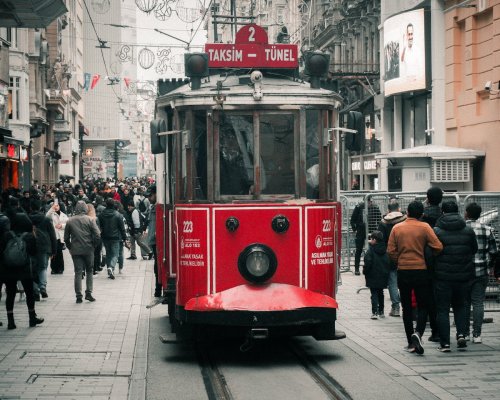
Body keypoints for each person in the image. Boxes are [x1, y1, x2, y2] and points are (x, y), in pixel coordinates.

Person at [387, 200, 443, 355]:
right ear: (422, 214)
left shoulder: (397, 228)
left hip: (403, 270)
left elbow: (390, 250)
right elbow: (438, 246)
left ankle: (410, 342)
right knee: (422, 304)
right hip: (421, 270)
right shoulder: (425, 227)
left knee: (406, 307)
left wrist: (400, 260)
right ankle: (418, 333)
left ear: (407, 213)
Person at [432, 201, 478, 352]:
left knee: (443, 309)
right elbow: (474, 249)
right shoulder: (468, 230)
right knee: (460, 306)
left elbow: (430, 253)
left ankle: (445, 343)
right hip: (463, 276)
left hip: (442, 277)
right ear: (458, 212)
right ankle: (461, 334)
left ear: (443, 212)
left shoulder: (437, 231)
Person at [0, 203, 44, 329]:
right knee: (29, 293)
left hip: (8, 269)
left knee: (10, 294)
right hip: (25, 269)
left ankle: (11, 321)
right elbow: (34, 252)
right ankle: (32, 318)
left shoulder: (7, 235)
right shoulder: (29, 236)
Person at [464, 202, 498, 344]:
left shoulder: (462, 229)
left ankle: (464, 333)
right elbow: (494, 252)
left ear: (466, 213)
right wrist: (490, 266)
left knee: (464, 303)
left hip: (464, 271)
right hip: (481, 271)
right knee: (478, 303)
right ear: (479, 214)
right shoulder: (487, 229)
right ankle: (477, 335)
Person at [64, 201, 101, 303]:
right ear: (85, 209)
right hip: (88, 249)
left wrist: (70, 247)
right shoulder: (90, 220)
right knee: (89, 270)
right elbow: (97, 234)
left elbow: (66, 238)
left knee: (78, 272)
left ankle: (78, 295)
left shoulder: (70, 221)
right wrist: (94, 245)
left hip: (75, 250)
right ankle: (88, 293)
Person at [420, 186, 443, 343]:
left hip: (425, 262)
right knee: (442, 299)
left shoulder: (423, 218)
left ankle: (432, 329)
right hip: (442, 262)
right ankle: (441, 331)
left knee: (427, 298)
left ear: (427, 198)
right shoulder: (443, 216)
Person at [377, 201, 406, 317]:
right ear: (399, 209)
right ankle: (408, 307)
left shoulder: (383, 223)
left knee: (392, 282)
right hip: (406, 254)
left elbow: (380, 241)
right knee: (405, 283)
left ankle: (396, 308)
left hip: (390, 256)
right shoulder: (406, 220)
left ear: (388, 211)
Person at [29, 198, 57, 300]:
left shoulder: (28, 219)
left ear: (31, 207)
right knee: (43, 267)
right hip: (44, 246)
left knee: (32, 269)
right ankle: (43, 287)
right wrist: (54, 250)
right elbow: (52, 235)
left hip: (31, 245)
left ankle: (35, 290)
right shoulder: (46, 219)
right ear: (40, 207)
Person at [350, 196, 382, 275]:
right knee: (359, 250)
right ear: (364, 201)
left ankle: (373, 268)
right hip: (361, 231)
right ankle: (357, 269)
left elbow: (379, 219)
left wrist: (377, 230)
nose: (369, 203)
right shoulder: (359, 207)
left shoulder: (375, 208)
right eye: (367, 202)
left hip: (371, 231)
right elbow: (352, 219)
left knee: (373, 249)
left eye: (370, 202)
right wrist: (355, 229)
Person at [363, 231, 391, 320]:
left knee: (374, 293)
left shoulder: (371, 250)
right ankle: (381, 311)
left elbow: (368, 262)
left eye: (371, 239)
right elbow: (388, 262)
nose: (370, 241)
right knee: (381, 293)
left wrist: (365, 271)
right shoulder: (385, 249)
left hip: (372, 274)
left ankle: (374, 312)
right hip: (383, 275)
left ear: (374, 240)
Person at [98, 198, 127, 280]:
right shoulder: (118, 215)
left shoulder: (101, 214)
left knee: (108, 254)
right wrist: (124, 238)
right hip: (115, 237)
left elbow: (100, 226)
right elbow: (122, 228)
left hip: (105, 237)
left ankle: (109, 270)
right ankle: (111, 267)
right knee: (115, 254)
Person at [145, 185, 162, 297]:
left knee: (158, 267)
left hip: (158, 241)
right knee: (157, 267)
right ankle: (157, 290)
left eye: (151, 195)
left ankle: (158, 290)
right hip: (154, 241)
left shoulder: (158, 208)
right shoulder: (152, 207)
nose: (149, 198)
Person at [46, 201, 68, 274]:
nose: (56, 207)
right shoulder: (51, 214)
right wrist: (52, 208)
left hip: (60, 237)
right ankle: (53, 268)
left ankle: (60, 268)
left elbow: (68, 224)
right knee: (54, 253)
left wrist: (62, 226)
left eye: (57, 206)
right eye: (54, 206)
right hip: (54, 236)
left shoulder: (64, 215)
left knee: (59, 253)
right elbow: (47, 216)